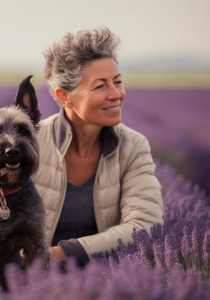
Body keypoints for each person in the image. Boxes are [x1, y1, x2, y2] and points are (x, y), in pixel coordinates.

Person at [32, 26, 163, 266]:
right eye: (100, 86)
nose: (116, 94)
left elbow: (145, 225)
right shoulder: (30, 144)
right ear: (64, 97)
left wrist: (63, 254)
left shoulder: (133, 147)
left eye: (118, 81)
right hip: (28, 280)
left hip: (105, 280)